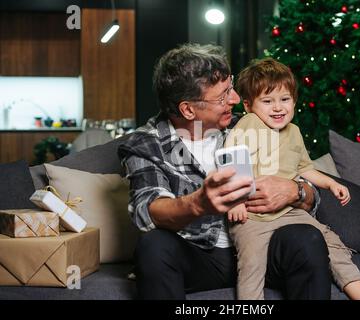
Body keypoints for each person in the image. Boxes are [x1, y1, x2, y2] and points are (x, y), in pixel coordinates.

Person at [118, 43, 331, 300]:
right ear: (188, 109)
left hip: (258, 244)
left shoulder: (249, 125)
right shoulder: (146, 144)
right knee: (153, 246)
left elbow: (309, 191)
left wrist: (296, 191)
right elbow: (147, 210)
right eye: (222, 96)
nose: (235, 99)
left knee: (307, 238)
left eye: (230, 87)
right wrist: (198, 203)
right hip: (197, 256)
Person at [225, 57, 360, 300]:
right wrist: (235, 201)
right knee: (251, 266)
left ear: (294, 101)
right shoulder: (249, 123)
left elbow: (305, 168)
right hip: (252, 217)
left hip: (290, 211)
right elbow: (233, 161)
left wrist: (332, 183)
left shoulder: (293, 131)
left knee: (333, 245)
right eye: (268, 101)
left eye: (285, 99)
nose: (278, 107)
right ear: (249, 106)